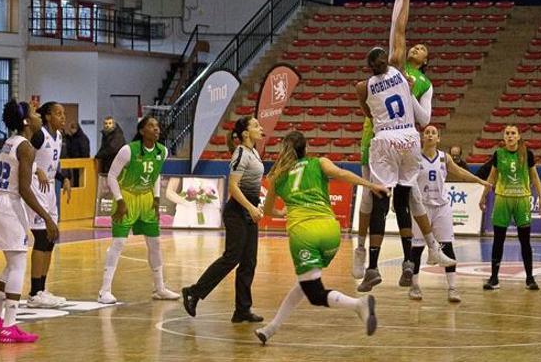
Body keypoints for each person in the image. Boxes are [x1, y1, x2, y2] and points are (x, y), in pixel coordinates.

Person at [353, 0, 454, 293]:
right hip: (409, 136)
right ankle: (411, 261)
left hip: (384, 137)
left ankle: (372, 265)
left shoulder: (362, 85)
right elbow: (399, 24)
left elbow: (367, 111)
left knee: (381, 203)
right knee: (405, 199)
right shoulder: (400, 70)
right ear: (389, 59)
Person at [253, 131, 385, 344]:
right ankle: (271, 328)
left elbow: (268, 210)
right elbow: (342, 174)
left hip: (304, 233)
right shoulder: (319, 162)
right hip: (331, 232)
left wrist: (282, 212)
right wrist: (371, 185)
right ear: (306, 148)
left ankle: (359, 305)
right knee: (306, 282)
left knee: (314, 292)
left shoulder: (278, 175)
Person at [0, 100, 59, 343]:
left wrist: (38, 170)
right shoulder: (27, 147)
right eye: (35, 114)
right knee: (18, 265)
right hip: (9, 205)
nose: (38, 117)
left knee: (11, 263)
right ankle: (9, 325)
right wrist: (47, 218)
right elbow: (25, 189)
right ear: (26, 122)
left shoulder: (10, 142)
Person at [182, 116, 265, 323]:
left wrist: (257, 205)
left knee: (249, 262)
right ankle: (194, 292)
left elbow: (251, 186)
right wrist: (250, 207)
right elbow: (233, 187)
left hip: (249, 211)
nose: (260, 127)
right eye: (255, 125)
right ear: (245, 133)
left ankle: (242, 310)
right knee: (232, 257)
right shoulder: (241, 153)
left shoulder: (254, 152)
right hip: (237, 213)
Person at [97, 115, 179, 304]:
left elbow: (156, 174)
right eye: (151, 126)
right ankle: (104, 290)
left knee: (155, 243)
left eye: (157, 126)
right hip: (126, 195)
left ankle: (159, 288)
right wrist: (120, 201)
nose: (156, 129)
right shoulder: (128, 150)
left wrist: (157, 198)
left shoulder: (162, 151)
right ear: (142, 131)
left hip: (146, 198)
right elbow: (111, 176)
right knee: (118, 243)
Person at [409, 125, 491, 303]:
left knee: (447, 247)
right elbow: (405, 180)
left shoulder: (444, 158)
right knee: (416, 248)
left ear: (438, 138)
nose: (430, 135)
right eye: (427, 133)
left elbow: (460, 172)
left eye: (433, 133)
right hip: (421, 207)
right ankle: (414, 286)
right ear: (423, 137)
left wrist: (478, 180)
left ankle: (453, 288)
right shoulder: (415, 158)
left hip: (441, 207)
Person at [479, 125, 541, 291]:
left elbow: (535, 177)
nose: (509, 136)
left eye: (513, 133)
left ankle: (530, 278)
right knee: (498, 240)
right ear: (504, 136)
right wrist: (483, 195)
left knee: (525, 241)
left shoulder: (527, 153)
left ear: (518, 136)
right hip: (502, 199)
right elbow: (492, 176)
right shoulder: (498, 154)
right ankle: (494, 278)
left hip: (521, 200)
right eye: (507, 133)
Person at [25, 102, 72, 308]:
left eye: (64, 114)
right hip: (37, 186)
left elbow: (52, 163)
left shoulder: (60, 136)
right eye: (58, 113)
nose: (63, 117)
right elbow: (24, 156)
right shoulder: (39, 135)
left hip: (51, 187)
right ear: (47, 117)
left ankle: (42, 289)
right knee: (42, 238)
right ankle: (34, 292)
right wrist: (36, 169)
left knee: (51, 238)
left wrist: (64, 177)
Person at [95, 116, 125, 198]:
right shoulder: (105, 134)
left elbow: (112, 148)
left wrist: (98, 155)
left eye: (110, 123)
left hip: (116, 165)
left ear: (114, 124)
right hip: (108, 164)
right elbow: (103, 147)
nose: (107, 125)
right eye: (105, 123)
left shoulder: (117, 135)